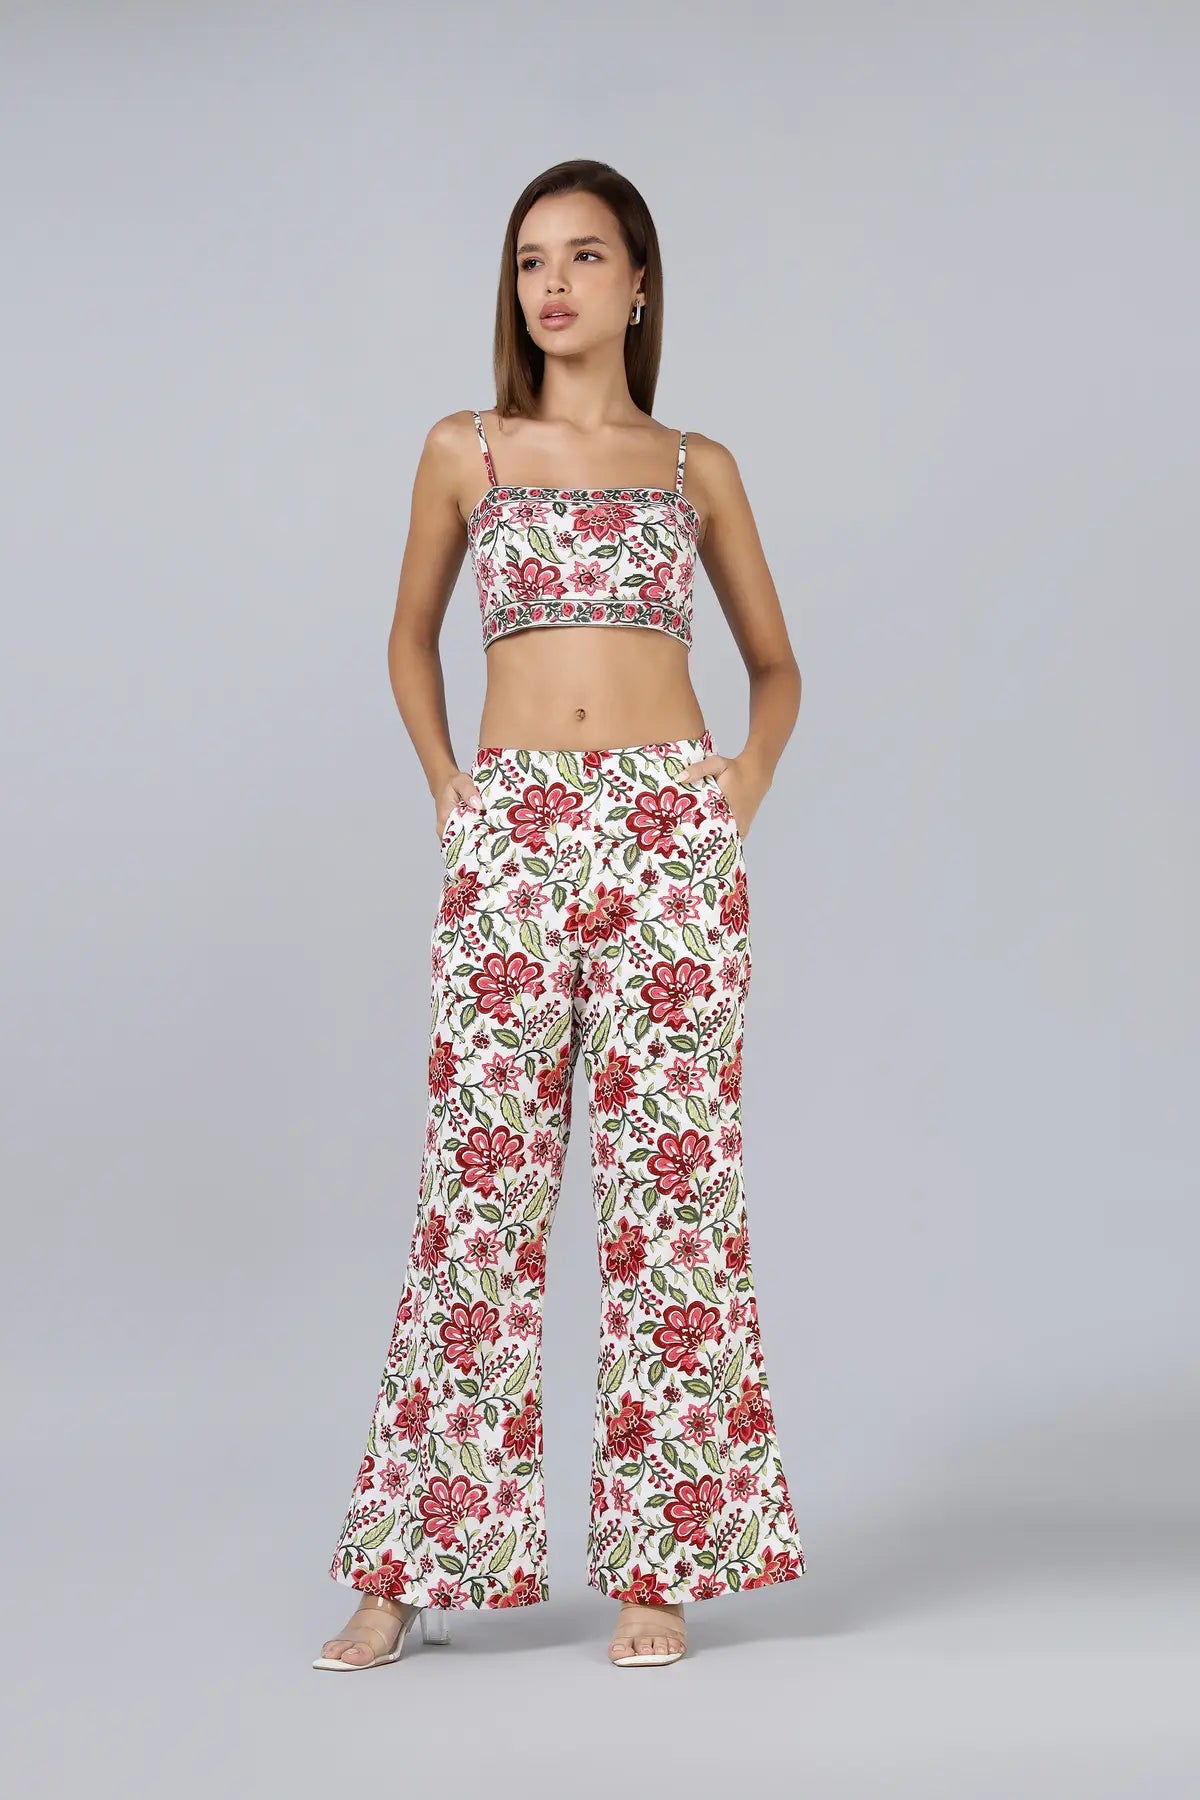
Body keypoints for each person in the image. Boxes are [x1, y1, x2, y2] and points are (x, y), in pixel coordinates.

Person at [313, 157, 806, 1674]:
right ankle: (406, 1567)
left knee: (674, 1204)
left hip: (667, 840)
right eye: (533, 258)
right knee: (478, 1195)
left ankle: (663, 1569)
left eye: (586, 257)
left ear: (638, 284)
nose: (555, 284)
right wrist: (451, 788)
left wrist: (735, 790)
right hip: (516, 833)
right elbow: (407, 638)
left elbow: (777, 667)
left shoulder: (693, 465)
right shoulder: (466, 449)